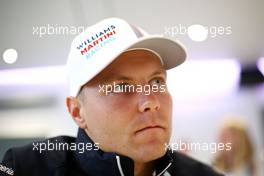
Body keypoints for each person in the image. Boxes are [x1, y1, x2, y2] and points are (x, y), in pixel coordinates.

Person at [1, 18, 223, 176]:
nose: (151, 102)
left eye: (157, 82)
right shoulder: (25, 167)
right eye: (123, 87)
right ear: (77, 111)